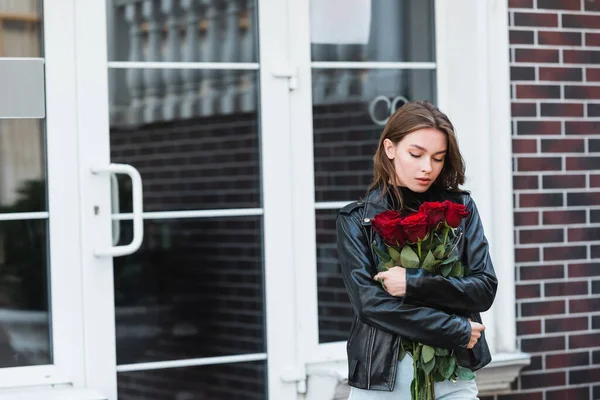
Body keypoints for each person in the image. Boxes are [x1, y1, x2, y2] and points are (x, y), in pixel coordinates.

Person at [336, 101, 498, 399]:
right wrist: (455, 330)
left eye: (438, 158)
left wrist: (414, 282)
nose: (428, 168)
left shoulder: (461, 209)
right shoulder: (358, 220)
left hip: (453, 379)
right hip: (381, 381)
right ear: (390, 148)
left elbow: (483, 288)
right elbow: (370, 305)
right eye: (416, 154)